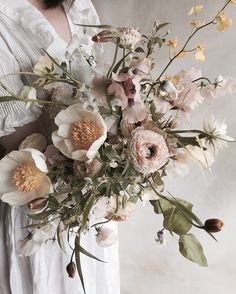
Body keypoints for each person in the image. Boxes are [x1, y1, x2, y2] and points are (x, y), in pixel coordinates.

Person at [0, 1, 120, 293]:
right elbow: (20, 141)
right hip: (41, 204)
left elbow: (99, 91)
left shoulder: (79, 6)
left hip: (96, 203)